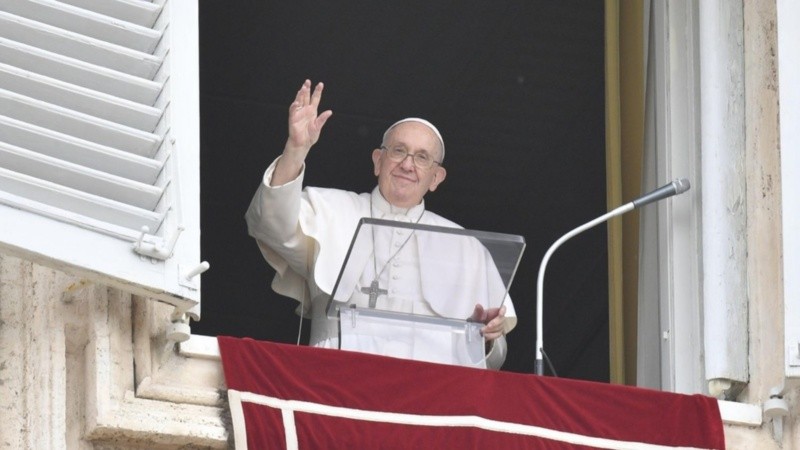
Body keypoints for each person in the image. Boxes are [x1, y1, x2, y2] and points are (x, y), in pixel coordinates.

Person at [245, 80, 517, 369]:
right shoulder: (329, 209)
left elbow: (495, 357)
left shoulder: (466, 248)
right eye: (398, 151)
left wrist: (484, 338)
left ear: (436, 178)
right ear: (378, 161)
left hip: (427, 390)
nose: (408, 165)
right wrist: (296, 149)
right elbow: (269, 223)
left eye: (422, 157)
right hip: (335, 377)